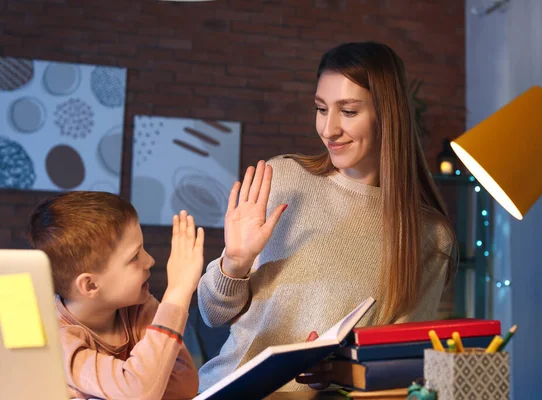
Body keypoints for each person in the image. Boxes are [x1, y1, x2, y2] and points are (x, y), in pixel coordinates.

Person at [197, 41, 457, 392]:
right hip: (222, 390)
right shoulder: (283, 179)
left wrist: (338, 372)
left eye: (348, 112)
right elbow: (212, 314)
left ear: (387, 115)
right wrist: (234, 263)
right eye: (321, 109)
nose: (328, 129)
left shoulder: (428, 235)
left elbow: (404, 373)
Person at [27, 191, 204, 399]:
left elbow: (184, 387)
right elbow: (139, 392)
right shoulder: (57, 339)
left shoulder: (140, 308)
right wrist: (178, 291)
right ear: (91, 285)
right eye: (134, 256)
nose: (150, 261)